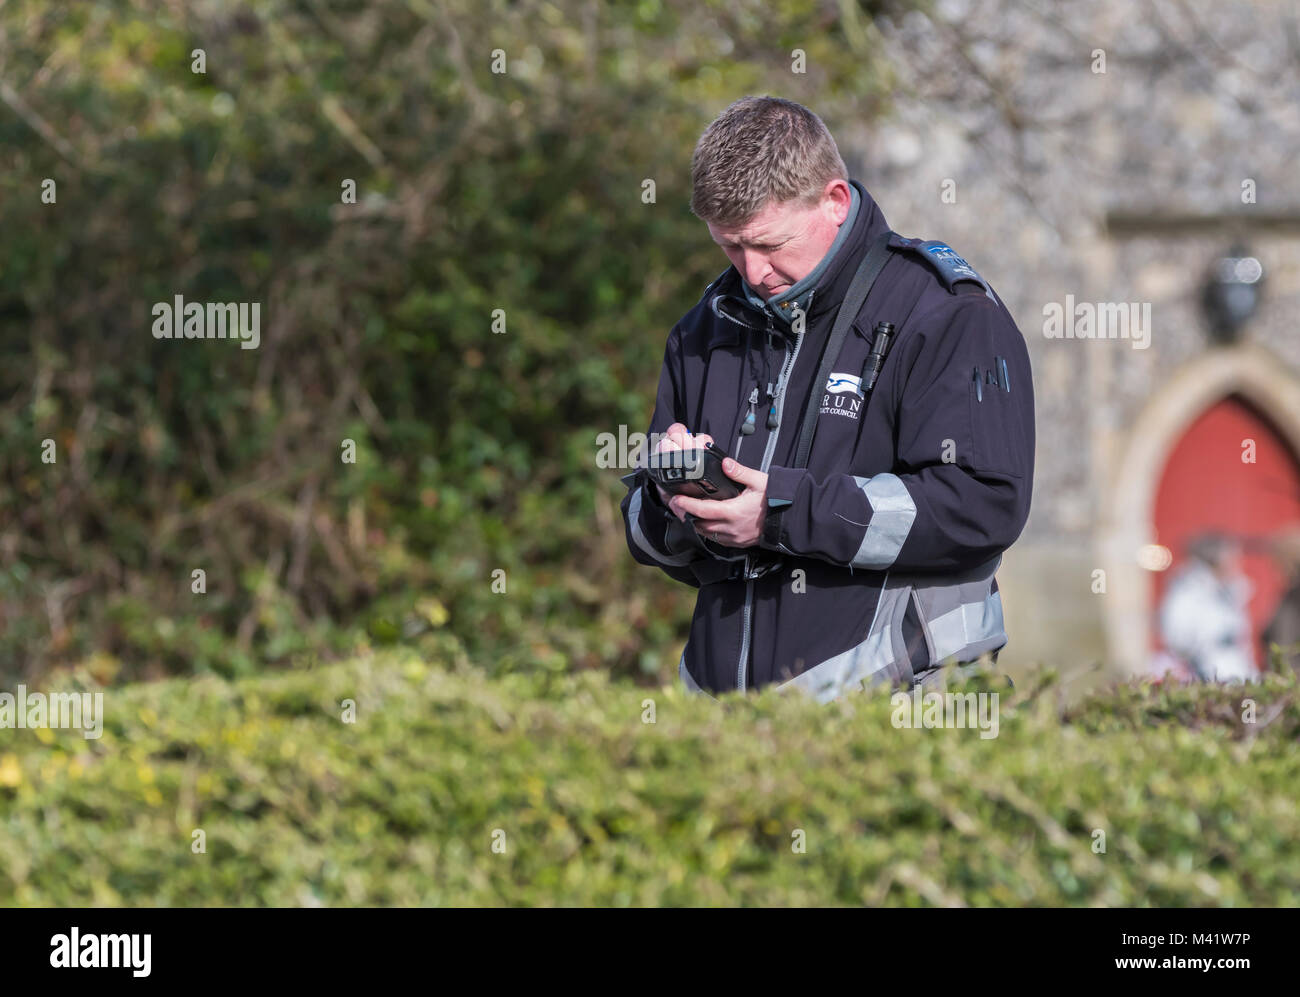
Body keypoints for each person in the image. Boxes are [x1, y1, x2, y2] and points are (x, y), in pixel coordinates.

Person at [619, 96, 1035, 701]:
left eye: (769, 244)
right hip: (720, 732)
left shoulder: (945, 312)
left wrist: (781, 513)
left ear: (834, 201)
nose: (752, 271)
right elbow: (641, 536)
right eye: (730, 247)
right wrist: (674, 500)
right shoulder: (702, 329)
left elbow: (984, 506)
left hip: (897, 717)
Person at [1156, 533, 1257, 684]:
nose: (1236, 562)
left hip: (1235, 674)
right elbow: (1177, 637)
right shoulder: (1188, 591)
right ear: (1216, 558)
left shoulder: (1230, 592)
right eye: (1231, 556)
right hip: (1204, 675)